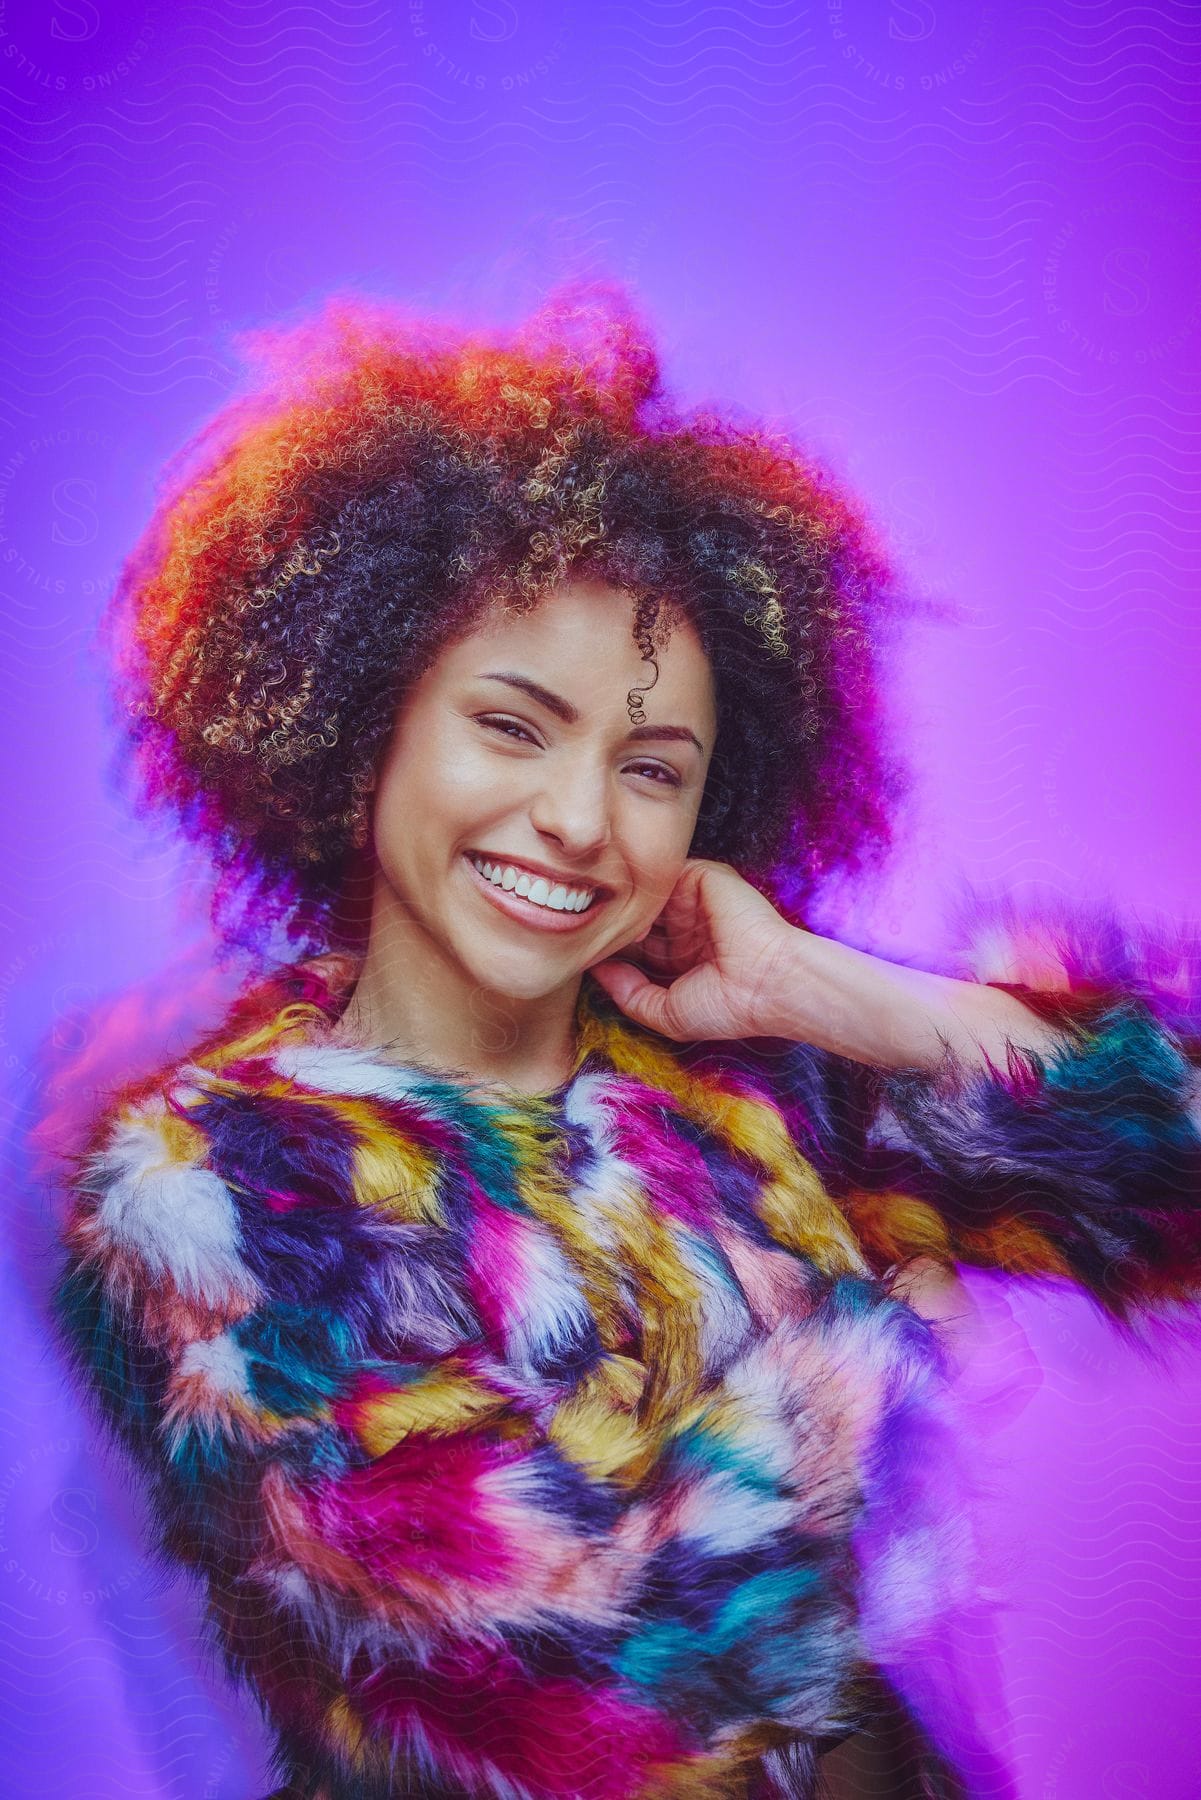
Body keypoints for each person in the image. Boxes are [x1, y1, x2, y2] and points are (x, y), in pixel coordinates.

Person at [49, 284, 1201, 1800]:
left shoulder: (749, 1076)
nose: (582, 820)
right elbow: (597, 1685)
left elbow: (1169, 1163)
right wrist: (880, 1342)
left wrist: (851, 999)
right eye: (512, 726)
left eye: (651, 768)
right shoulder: (218, 1187)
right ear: (361, 721)